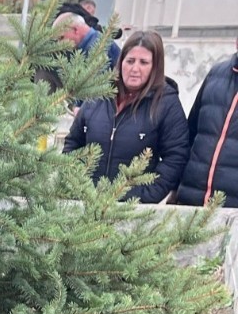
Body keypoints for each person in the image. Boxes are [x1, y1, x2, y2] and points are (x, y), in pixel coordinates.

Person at [63, 29, 190, 203]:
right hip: (85, 203)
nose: (134, 69)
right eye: (130, 61)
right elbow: (73, 143)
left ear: (155, 67)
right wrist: (75, 182)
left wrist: (146, 195)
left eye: (143, 62)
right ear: (121, 62)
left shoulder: (165, 103)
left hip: (131, 211)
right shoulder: (99, 94)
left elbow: (176, 156)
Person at [177, 36, 238, 207]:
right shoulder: (216, 74)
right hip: (190, 201)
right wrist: (176, 188)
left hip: (232, 213)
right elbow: (190, 133)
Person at [55, 10, 120, 72]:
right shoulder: (96, 40)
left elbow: (96, 81)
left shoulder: (96, 47)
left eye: (61, 38)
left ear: (75, 30)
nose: (58, 44)